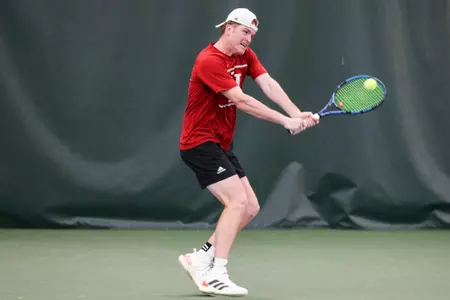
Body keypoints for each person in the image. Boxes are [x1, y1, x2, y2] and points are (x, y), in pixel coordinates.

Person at [178, 8, 319, 297]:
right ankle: (215, 273)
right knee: (237, 202)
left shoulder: (245, 56)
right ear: (228, 28)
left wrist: (296, 114)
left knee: (250, 207)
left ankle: (201, 257)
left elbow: (268, 83)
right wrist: (284, 121)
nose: (249, 39)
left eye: (253, 35)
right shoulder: (209, 60)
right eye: (245, 32)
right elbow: (241, 100)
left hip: (220, 144)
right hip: (199, 143)